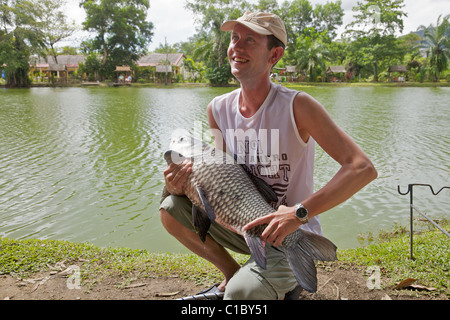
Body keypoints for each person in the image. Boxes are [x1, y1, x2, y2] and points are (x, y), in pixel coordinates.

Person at [159, 12, 377, 300]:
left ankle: (285, 271)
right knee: (171, 208)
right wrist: (181, 186)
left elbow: (362, 168)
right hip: (245, 221)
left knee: (241, 297)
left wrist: (300, 213)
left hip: (290, 230)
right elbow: (225, 176)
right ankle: (232, 273)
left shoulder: (298, 106)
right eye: (234, 38)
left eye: (249, 40)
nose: (237, 46)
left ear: (274, 55)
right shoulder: (217, 108)